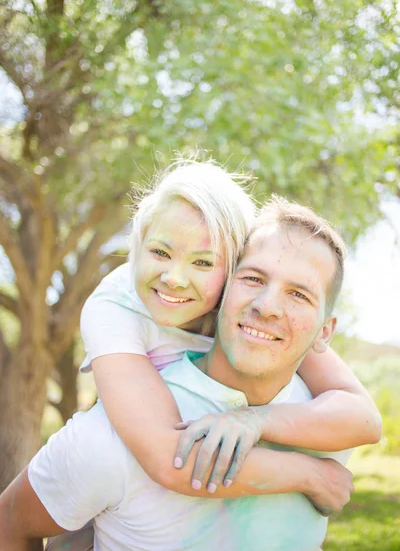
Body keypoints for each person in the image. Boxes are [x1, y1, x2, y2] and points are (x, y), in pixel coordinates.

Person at [0, 195, 380, 550]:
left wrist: (255, 421)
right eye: (252, 279)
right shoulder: (110, 437)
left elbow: (366, 420)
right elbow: (11, 520)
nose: (267, 307)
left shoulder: (329, 432)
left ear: (325, 331)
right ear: (221, 292)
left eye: (299, 294)